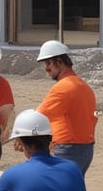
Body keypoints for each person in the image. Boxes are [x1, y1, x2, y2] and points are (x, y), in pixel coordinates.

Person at [36, 40, 97, 175]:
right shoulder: (83, 86)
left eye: (48, 63)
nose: (46, 68)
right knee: (72, 189)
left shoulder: (63, 87)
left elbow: (38, 116)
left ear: (59, 61)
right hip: (86, 148)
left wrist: (21, 137)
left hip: (67, 148)